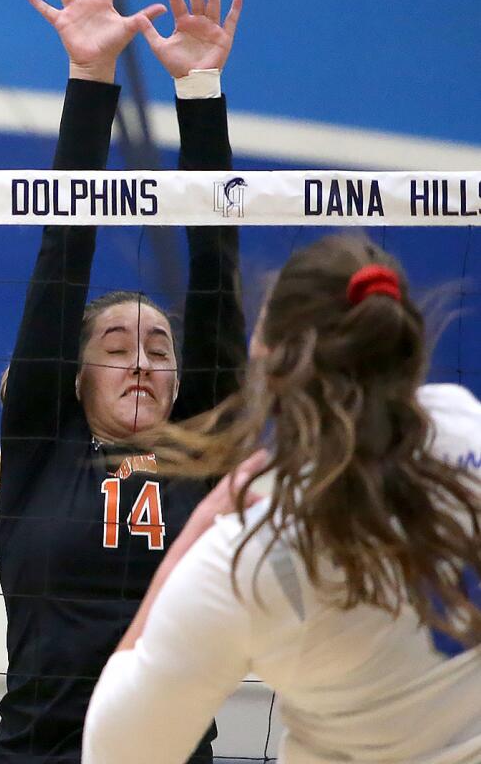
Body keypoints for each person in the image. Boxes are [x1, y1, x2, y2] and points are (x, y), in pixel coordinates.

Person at [0, 0, 247, 762]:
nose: (141, 361)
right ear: (72, 378)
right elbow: (60, 255)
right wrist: (91, 78)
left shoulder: (198, 452)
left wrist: (198, 90)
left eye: (158, 348)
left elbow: (216, 271)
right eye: (115, 347)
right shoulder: (43, 450)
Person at [83, 236, 481, 764]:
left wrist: (196, 533)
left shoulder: (249, 554)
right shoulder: (463, 424)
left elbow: (118, 754)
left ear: (267, 357)